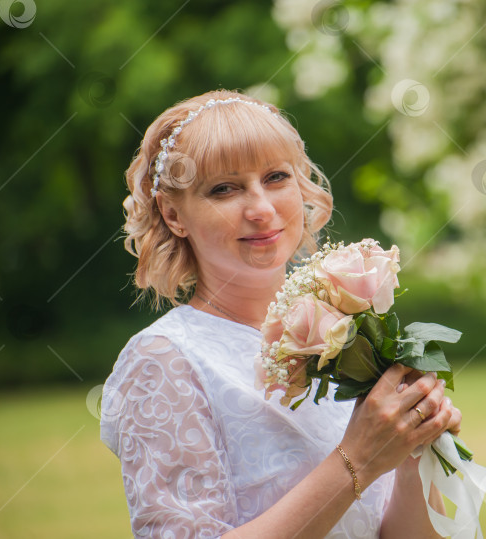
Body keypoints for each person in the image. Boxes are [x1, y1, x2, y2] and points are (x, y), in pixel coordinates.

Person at [100, 89, 462, 538]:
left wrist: (411, 450)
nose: (262, 209)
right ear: (174, 215)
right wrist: (358, 459)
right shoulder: (163, 361)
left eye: (275, 177)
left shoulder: (340, 335)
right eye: (224, 189)